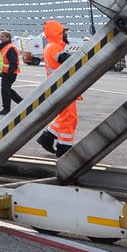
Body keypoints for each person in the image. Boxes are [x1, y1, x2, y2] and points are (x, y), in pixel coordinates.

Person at [37, 21, 80, 155]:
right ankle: (64, 148)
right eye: (64, 32)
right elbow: (66, 60)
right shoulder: (54, 47)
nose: (66, 34)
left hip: (59, 87)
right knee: (70, 118)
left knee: (64, 116)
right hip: (62, 87)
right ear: (58, 33)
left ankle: (47, 137)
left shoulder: (51, 46)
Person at [0, 30, 23, 111]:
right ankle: (22, 102)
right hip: (6, 72)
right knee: (7, 89)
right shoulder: (4, 47)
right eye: (0, 36)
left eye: (2, 36)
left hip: (9, 73)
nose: (0, 38)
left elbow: (13, 62)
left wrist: (9, 73)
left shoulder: (10, 47)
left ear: (8, 38)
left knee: (5, 90)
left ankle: (6, 109)